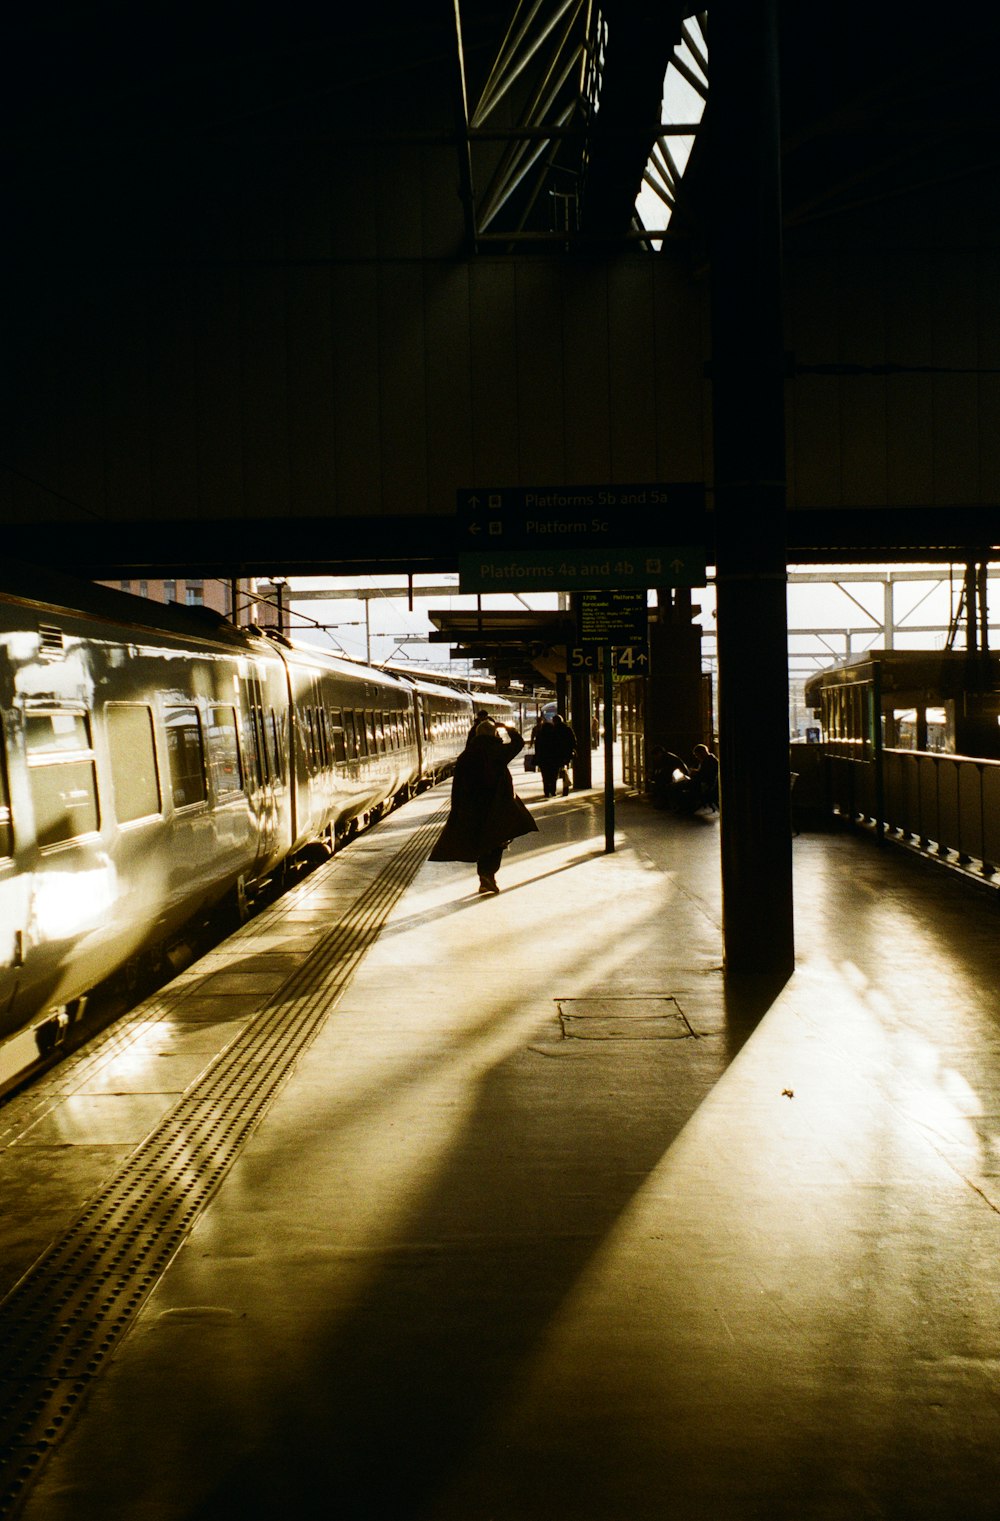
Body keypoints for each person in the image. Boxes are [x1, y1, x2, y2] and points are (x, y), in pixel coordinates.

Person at [429, 719, 538, 894]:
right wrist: (507, 728)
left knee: (482, 840)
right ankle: (488, 874)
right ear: (494, 734)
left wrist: (458, 809)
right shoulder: (497, 751)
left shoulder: (466, 755)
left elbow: (458, 785)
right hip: (497, 805)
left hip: (473, 806)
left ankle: (485, 877)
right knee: (497, 840)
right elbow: (518, 743)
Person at [531, 712, 562, 798]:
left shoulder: (540, 736)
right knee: (554, 776)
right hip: (554, 759)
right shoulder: (555, 735)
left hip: (543, 759)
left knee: (545, 776)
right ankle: (553, 790)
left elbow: (537, 748)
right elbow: (558, 746)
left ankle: (546, 792)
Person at [550, 712, 576, 796]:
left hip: (555, 754)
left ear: (554, 721)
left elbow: (550, 743)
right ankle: (565, 790)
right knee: (565, 771)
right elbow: (573, 741)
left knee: (554, 772)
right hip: (566, 754)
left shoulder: (553, 730)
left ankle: (553, 790)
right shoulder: (568, 729)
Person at [688, 742, 719, 811]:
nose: (697, 757)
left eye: (697, 755)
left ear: (702, 752)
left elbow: (704, 775)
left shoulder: (708, 761)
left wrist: (695, 773)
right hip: (707, 783)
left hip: (707, 784)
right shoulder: (709, 760)